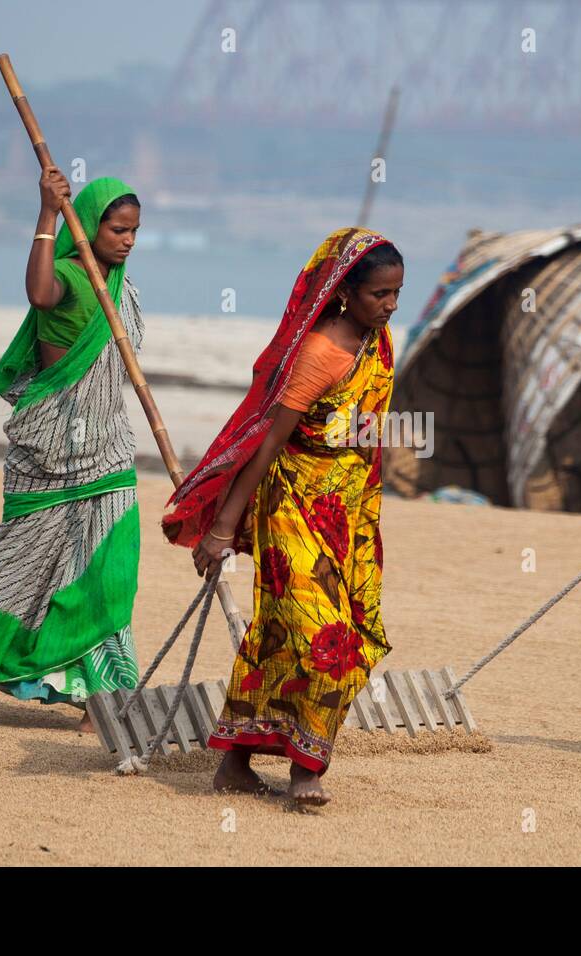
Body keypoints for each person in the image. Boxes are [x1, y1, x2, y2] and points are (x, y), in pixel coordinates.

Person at [163, 227, 403, 805]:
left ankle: (236, 762)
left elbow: (363, 426)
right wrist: (223, 527)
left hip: (349, 511)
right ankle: (306, 771)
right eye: (379, 295)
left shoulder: (378, 343)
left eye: (398, 293)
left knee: (304, 636)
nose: (391, 305)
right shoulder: (320, 354)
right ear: (345, 293)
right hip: (293, 503)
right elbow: (268, 446)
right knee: (330, 639)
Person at [0, 170, 145, 730]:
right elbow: (39, 293)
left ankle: (102, 692)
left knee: (107, 567)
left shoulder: (120, 287)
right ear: (89, 227)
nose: (128, 241)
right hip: (50, 453)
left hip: (109, 451)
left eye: (135, 231)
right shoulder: (68, 275)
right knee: (12, 566)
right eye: (117, 229)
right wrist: (46, 214)